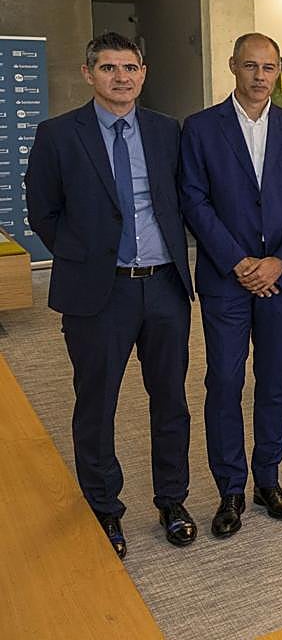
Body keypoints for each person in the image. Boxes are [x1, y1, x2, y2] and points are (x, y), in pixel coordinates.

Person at [24, 32, 195, 558]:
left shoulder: (168, 131)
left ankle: (171, 499)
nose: (121, 77)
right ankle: (105, 508)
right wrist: (85, 256)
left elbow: (183, 200)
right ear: (88, 73)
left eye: (130, 68)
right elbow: (42, 212)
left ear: (143, 73)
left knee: (171, 401)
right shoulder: (58, 134)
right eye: (109, 68)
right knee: (96, 405)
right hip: (98, 294)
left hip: (164, 287)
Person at [180, 32, 282, 537]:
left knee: (274, 381)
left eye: (269, 67)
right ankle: (229, 490)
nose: (260, 76)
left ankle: (269, 479)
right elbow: (193, 200)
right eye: (251, 66)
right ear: (233, 66)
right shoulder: (200, 129)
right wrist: (240, 262)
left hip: (281, 280)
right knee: (224, 381)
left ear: (278, 71)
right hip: (227, 279)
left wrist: (279, 262)